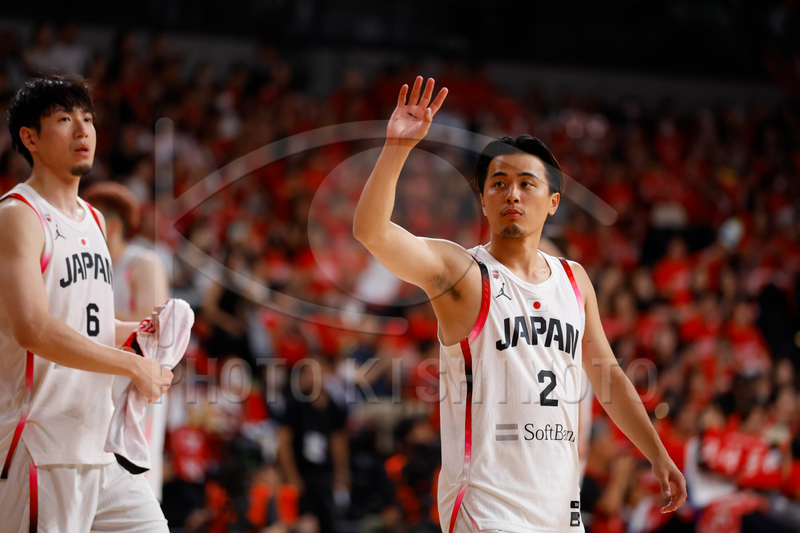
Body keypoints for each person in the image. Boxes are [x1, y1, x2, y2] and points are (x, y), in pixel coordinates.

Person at [353, 77, 687, 533]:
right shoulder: (462, 274)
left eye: (527, 184)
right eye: (499, 183)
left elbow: (608, 376)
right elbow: (371, 231)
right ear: (483, 200)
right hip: (487, 505)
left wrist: (657, 453)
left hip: (558, 505)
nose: (512, 193)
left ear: (553, 202)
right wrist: (396, 148)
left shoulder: (574, 280)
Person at [0, 75, 173, 532]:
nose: (83, 130)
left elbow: (87, 324)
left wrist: (143, 332)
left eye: (88, 119)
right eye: (64, 119)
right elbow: (34, 329)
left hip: (99, 444)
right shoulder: (17, 216)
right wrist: (131, 366)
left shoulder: (94, 219)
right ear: (30, 138)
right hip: (41, 446)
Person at [83, 181, 170, 502]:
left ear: (114, 226)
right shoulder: (89, 266)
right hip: (100, 377)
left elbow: (152, 324)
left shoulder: (143, 262)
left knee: (136, 480)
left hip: (137, 384)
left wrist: (82, 311)